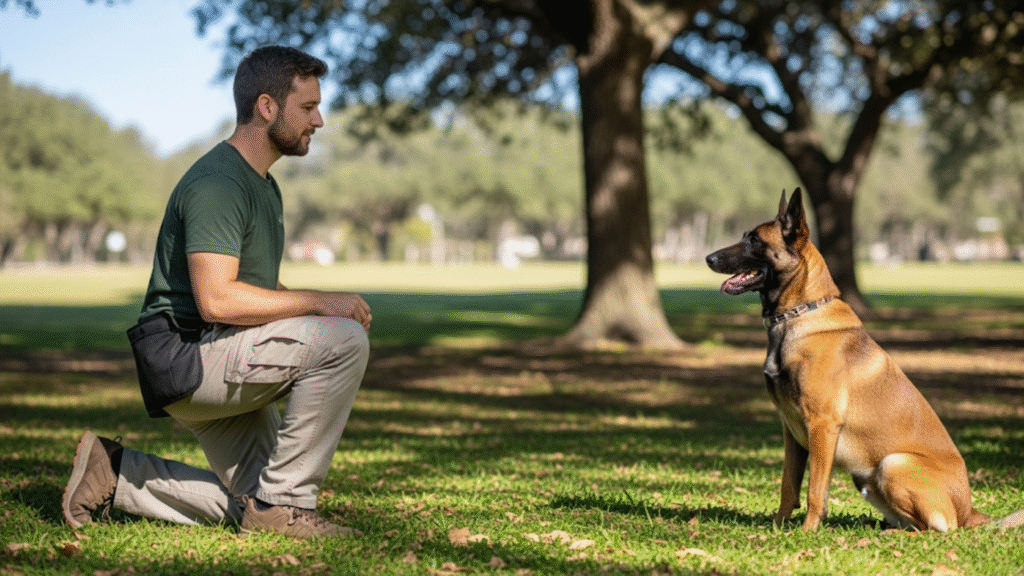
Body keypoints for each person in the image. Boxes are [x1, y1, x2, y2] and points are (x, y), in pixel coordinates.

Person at [61, 45, 372, 539]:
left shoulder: (263, 186)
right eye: (308, 107)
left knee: (255, 504)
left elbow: (258, 292)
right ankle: (288, 503)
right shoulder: (219, 182)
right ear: (267, 107)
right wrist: (323, 303)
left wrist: (313, 303)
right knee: (342, 340)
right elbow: (218, 300)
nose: (320, 120)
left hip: (218, 351)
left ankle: (114, 473)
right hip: (188, 356)